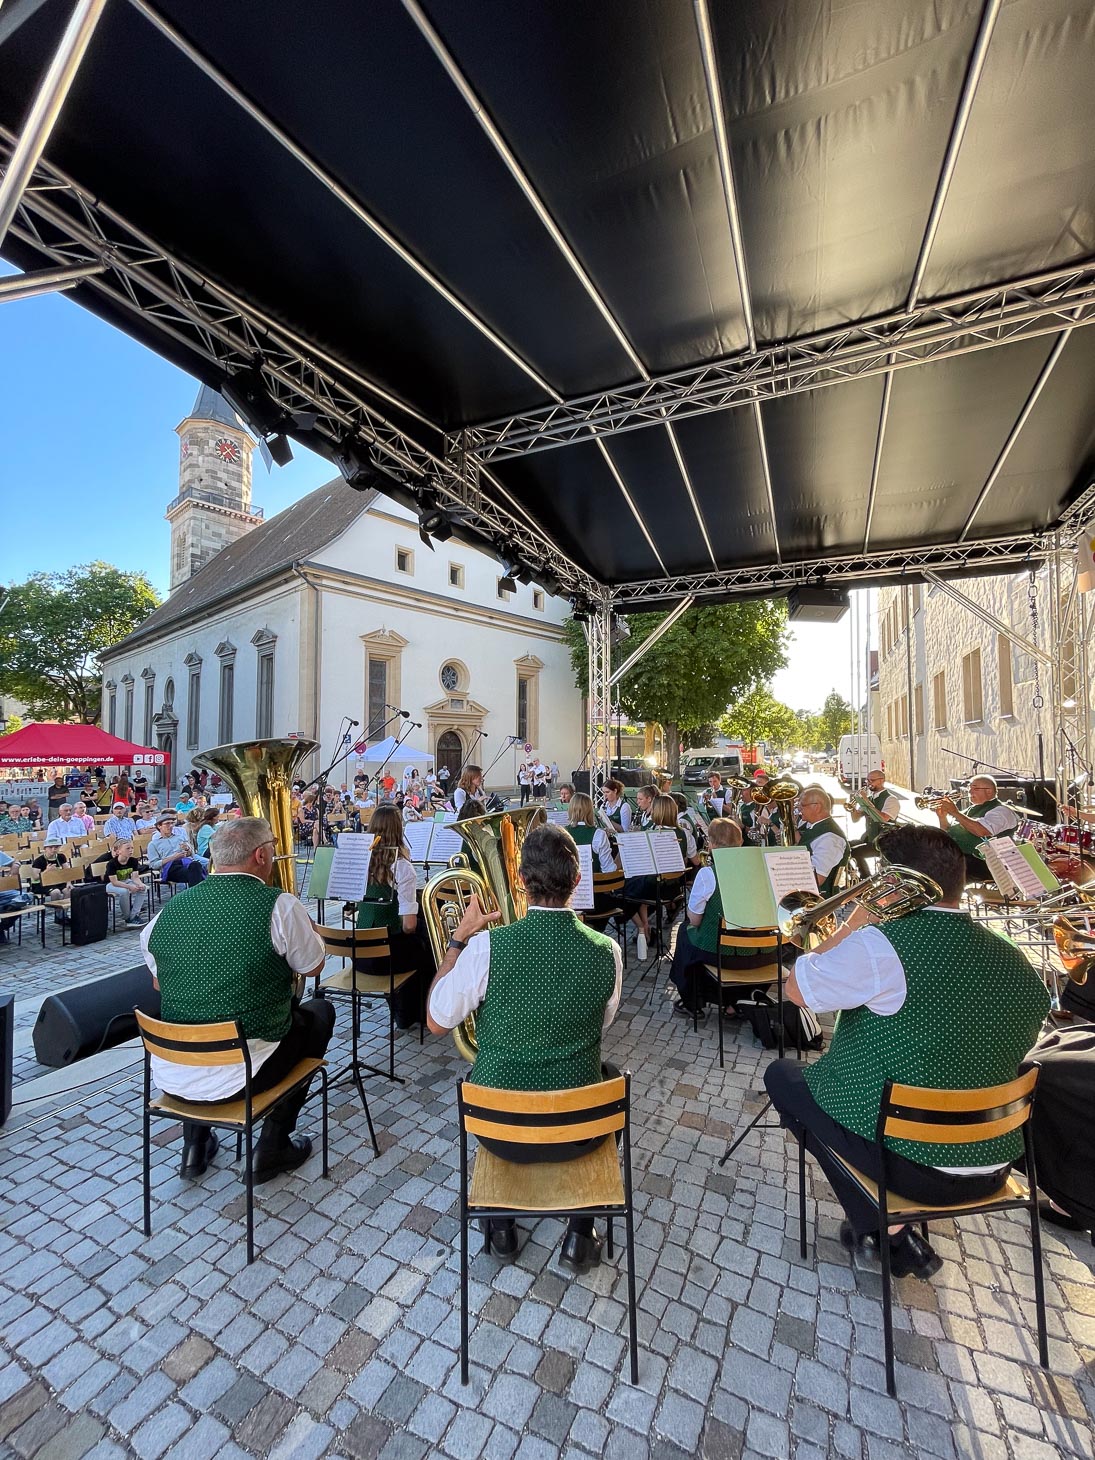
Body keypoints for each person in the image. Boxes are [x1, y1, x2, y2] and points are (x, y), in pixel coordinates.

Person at [765, 824, 1050, 1279]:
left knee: (782, 1077)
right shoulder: (1015, 956)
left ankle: (888, 1232)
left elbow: (795, 988)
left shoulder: (880, 946)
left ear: (897, 882)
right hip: (995, 1163)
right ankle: (890, 1231)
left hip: (912, 1165)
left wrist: (855, 923)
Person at [427, 823, 622, 1271]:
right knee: (607, 1075)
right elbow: (602, 1023)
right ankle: (579, 1233)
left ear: (519, 881)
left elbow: (436, 1021)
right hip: (578, 1131)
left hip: (499, 1131)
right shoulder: (607, 950)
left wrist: (457, 941)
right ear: (578, 881)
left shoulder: (485, 948)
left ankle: (500, 1227)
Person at [140, 816, 333, 1180]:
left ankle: (195, 1146)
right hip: (245, 1073)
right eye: (274, 851)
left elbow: (160, 985)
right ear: (261, 855)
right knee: (320, 1013)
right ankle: (273, 1146)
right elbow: (313, 967)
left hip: (171, 1072)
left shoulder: (167, 913)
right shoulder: (279, 904)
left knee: (198, 1018)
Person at [668, 818, 775, 1017]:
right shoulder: (765, 871)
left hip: (722, 955)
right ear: (741, 842)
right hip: (762, 954)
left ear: (712, 844)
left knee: (685, 932)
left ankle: (692, 1002)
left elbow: (695, 920)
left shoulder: (708, 874)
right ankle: (736, 1003)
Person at [355, 804, 430, 1027]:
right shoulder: (402, 867)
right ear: (399, 829)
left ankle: (403, 1005)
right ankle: (413, 1012)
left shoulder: (359, 862)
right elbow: (407, 926)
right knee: (428, 941)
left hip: (360, 954)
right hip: (387, 957)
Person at [935, 775, 1020, 881]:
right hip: (961, 857)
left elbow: (982, 831)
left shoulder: (1002, 811)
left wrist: (954, 812)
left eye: (975, 788)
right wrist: (942, 817)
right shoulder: (969, 810)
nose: (970, 791)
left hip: (984, 863)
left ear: (989, 791)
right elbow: (949, 833)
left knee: (937, 867)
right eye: (969, 788)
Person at [795, 786, 850, 896]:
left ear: (817, 807)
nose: (799, 810)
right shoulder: (814, 826)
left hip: (818, 901)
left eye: (802, 806)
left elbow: (817, 879)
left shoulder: (830, 838)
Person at [848, 769, 901, 876]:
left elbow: (883, 818)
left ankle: (865, 880)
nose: (868, 783)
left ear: (882, 780)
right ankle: (855, 877)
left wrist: (867, 802)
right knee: (844, 847)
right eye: (867, 780)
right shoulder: (870, 798)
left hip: (885, 842)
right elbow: (855, 819)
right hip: (870, 838)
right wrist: (852, 808)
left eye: (872, 780)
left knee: (856, 852)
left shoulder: (891, 799)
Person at [147, 812, 206, 888]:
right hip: (170, 868)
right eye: (167, 824)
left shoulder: (180, 837)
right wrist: (173, 858)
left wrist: (188, 850)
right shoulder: (153, 844)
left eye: (172, 823)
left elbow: (191, 854)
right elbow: (153, 865)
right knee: (196, 872)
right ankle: (197, 894)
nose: (171, 826)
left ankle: (193, 894)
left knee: (196, 866)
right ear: (159, 826)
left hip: (185, 863)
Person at [566, 792, 618, 874]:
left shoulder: (562, 833)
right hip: (594, 885)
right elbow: (608, 870)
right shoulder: (599, 834)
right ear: (590, 811)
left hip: (568, 885)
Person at [105, 841, 148, 927]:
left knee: (143, 889)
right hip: (111, 884)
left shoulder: (133, 861)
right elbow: (114, 882)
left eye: (132, 848)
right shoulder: (112, 863)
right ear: (118, 851)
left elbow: (135, 877)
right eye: (127, 848)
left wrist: (140, 884)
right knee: (124, 891)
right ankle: (127, 917)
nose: (131, 850)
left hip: (126, 881)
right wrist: (129, 887)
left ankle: (133, 916)